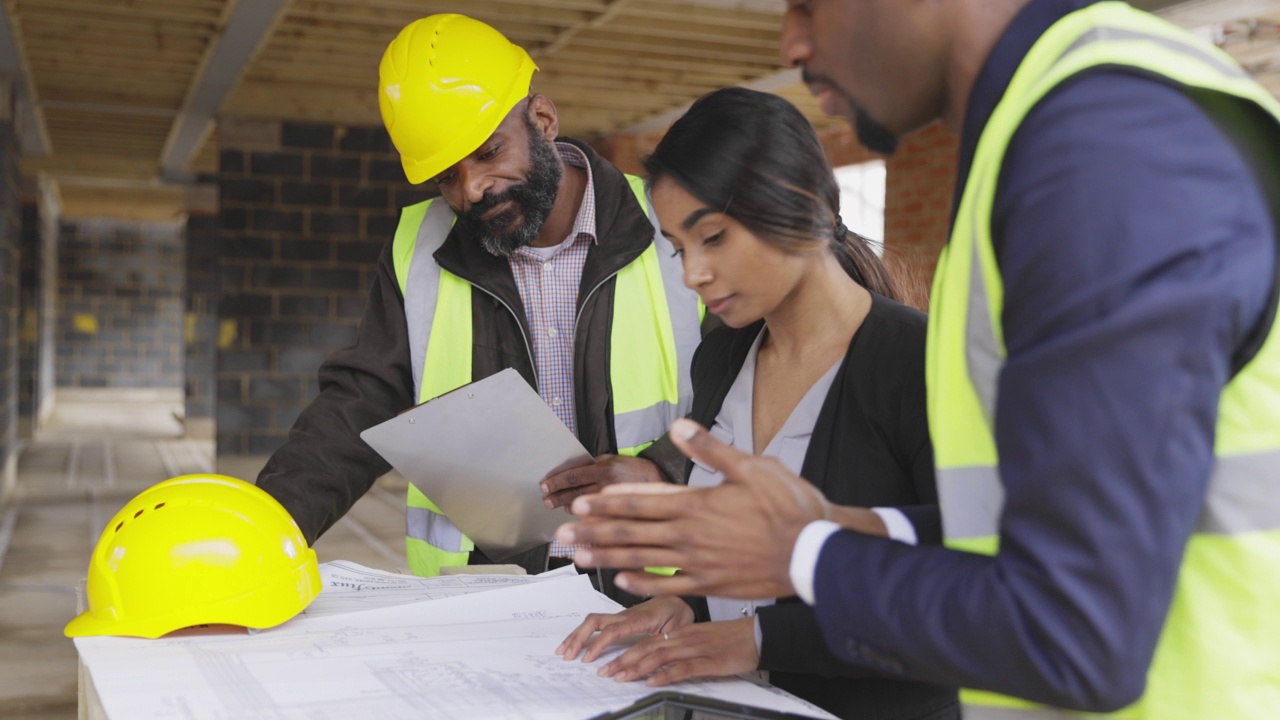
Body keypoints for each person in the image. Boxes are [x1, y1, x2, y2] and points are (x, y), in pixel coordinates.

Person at [556, 0, 1280, 717]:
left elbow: (1080, 630)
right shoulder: (1047, 131)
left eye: (810, 5)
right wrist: (837, 532)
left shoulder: (1104, 149)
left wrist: (808, 558)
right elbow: (1032, 536)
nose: (791, 43)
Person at [256, 14, 705, 589]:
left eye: (489, 152)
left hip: (654, 586)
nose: (470, 188)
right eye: (447, 175)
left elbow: (753, 395)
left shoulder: (673, 226)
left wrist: (664, 469)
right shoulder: (419, 248)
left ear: (542, 120)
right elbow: (358, 405)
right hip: (488, 593)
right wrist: (264, 528)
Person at [555, 87, 958, 720]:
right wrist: (687, 607)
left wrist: (759, 641)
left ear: (801, 206)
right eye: (679, 249)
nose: (693, 275)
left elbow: (962, 593)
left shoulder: (921, 366)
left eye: (713, 237)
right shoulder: (719, 360)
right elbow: (746, 567)